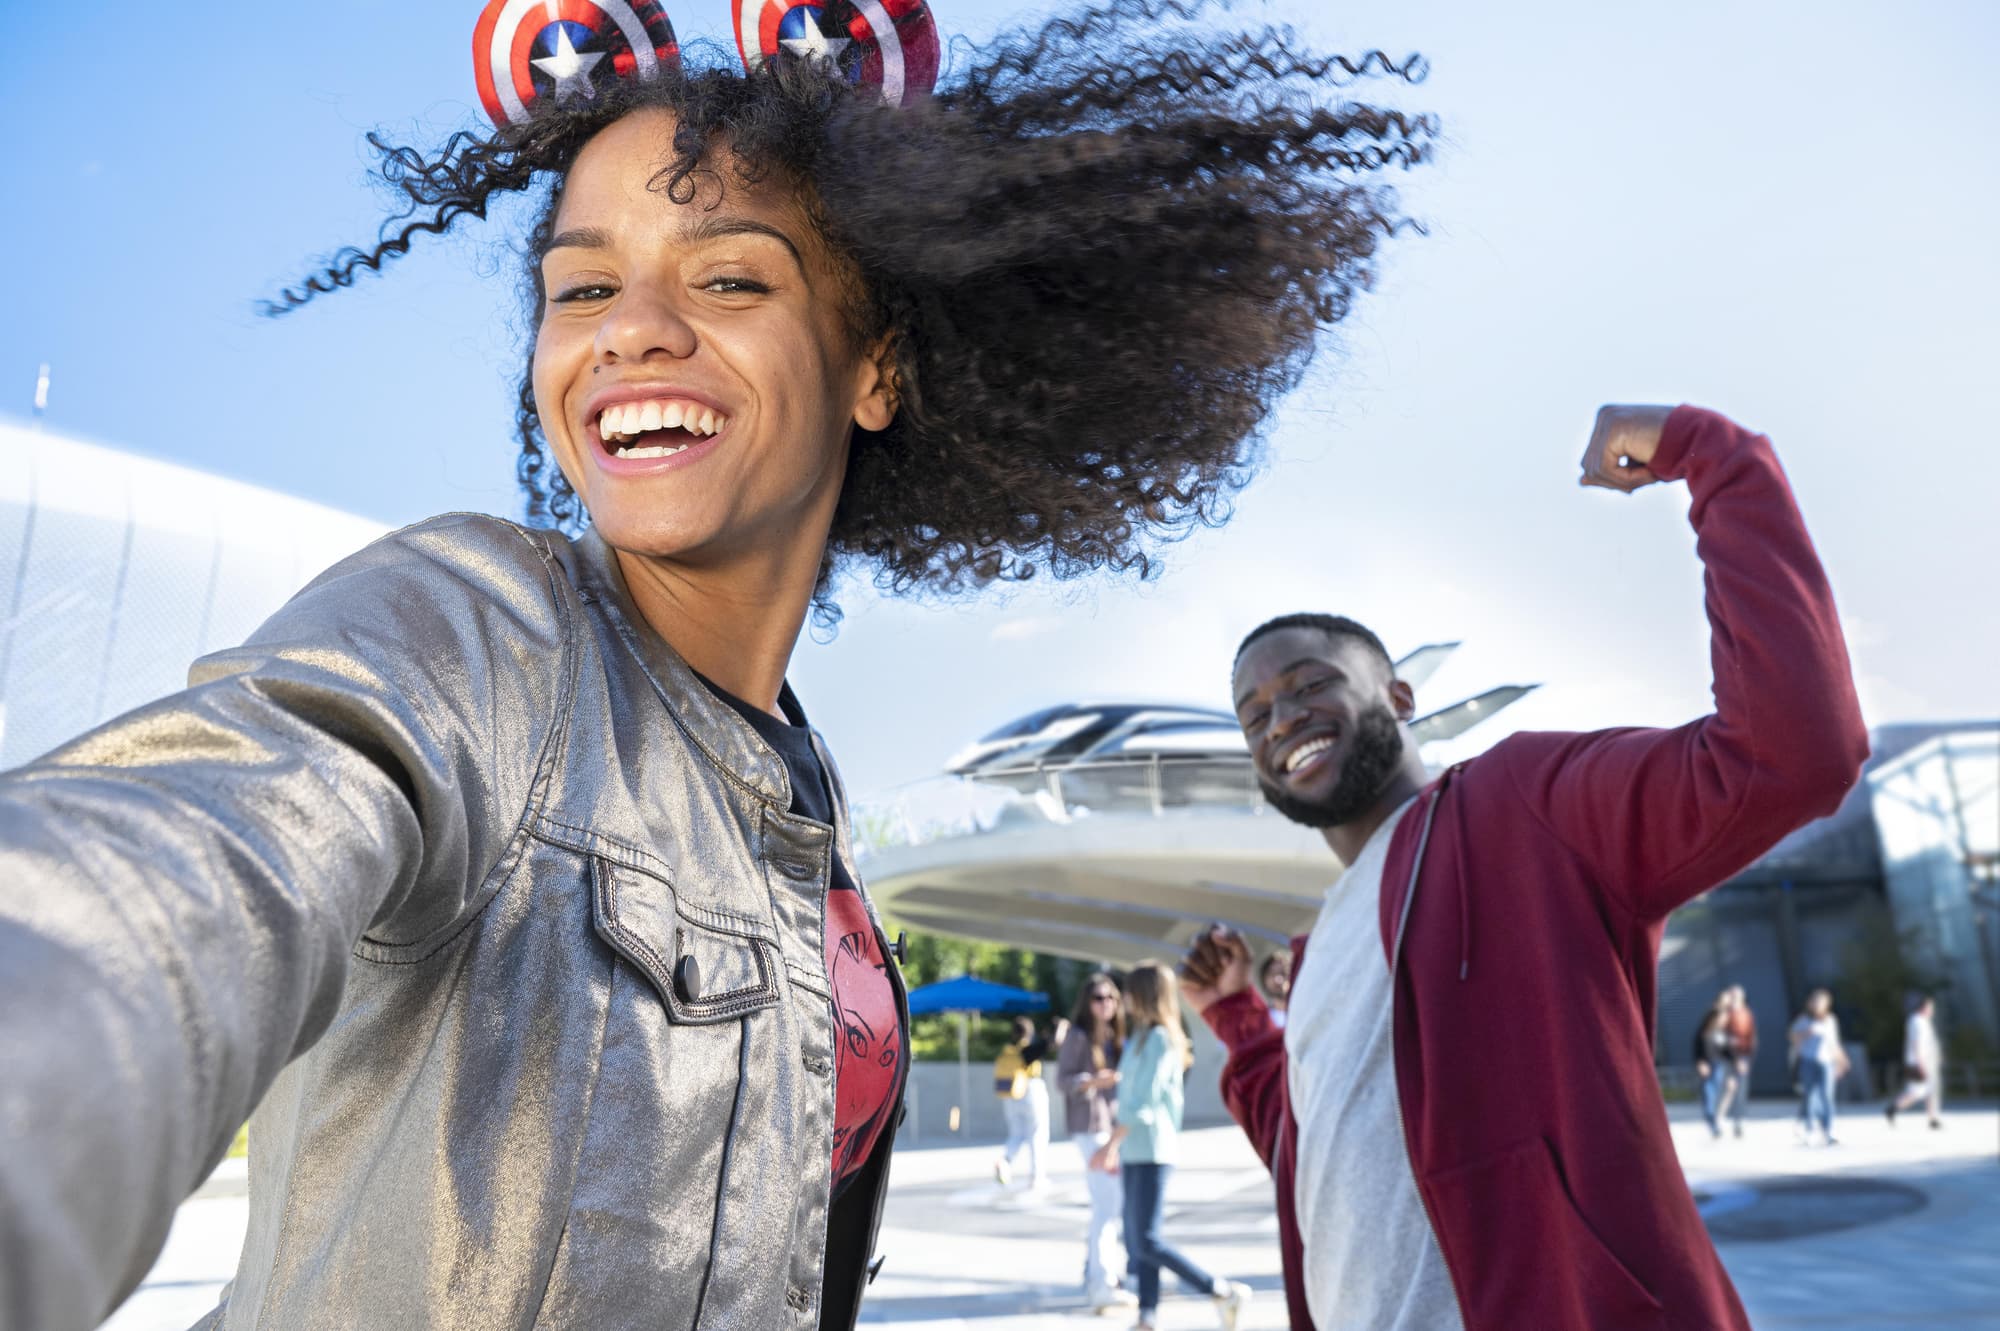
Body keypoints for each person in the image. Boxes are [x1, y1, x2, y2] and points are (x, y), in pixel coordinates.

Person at [0, 3, 1436, 1326]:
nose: (630, 328)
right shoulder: (472, 628)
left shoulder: (808, 794)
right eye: (581, 289)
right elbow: (175, 865)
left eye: (731, 274)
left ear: (875, 367)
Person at [1181, 404, 1868, 1330]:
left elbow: (1792, 752)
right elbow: (1331, 1167)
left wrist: (1714, 457)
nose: (1282, 718)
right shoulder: (1315, 955)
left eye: (1309, 683)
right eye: (1255, 714)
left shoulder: (1522, 803)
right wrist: (1236, 1016)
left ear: (1399, 696)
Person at [1091, 963, 1252, 1331]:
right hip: (1135, 1149)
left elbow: (1144, 1101)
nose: (1124, 998)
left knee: (1147, 1239)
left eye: (1130, 991)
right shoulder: (1141, 1037)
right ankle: (1148, 1317)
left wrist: (1110, 1144)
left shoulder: (1161, 1040)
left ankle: (1219, 1290)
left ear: (1145, 995)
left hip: (1152, 1149)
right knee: (1138, 1240)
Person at [1057, 973, 1137, 1313]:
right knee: (1108, 1203)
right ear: (1087, 1003)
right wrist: (1092, 1081)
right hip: (1089, 1126)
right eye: (1098, 998)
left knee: (1108, 1203)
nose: (1106, 1004)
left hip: (1111, 1125)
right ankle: (1102, 1282)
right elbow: (1062, 1080)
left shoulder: (1117, 1036)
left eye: (1111, 998)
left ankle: (1096, 1275)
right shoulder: (1078, 1036)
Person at [993, 1015, 1057, 1190]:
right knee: (1038, 1134)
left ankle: (1005, 1161)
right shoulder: (1028, 1050)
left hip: (1010, 1095)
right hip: (1031, 1091)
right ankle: (1037, 1176)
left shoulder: (1008, 1051)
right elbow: (1050, 1044)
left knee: (1016, 1134)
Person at [1789, 988, 1851, 1145]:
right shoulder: (1804, 1020)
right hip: (1808, 1061)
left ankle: (1828, 1130)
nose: (1817, 1005)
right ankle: (1810, 1129)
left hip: (1827, 1062)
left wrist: (1842, 1060)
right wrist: (1806, 1033)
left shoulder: (1830, 1020)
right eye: (1815, 1001)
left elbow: (1834, 1043)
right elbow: (1792, 1037)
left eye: (1821, 1002)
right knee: (1810, 1096)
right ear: (1810, 1003)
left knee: (1827, 1096)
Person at [1886, 992, 1945, 1129]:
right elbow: (1917, 1043)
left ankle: (1933, 1118)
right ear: (1923, 1007)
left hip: (1927, 1062)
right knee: (1916, 1092)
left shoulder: (1923, 1021)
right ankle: (1892, 1109)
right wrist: (1921, 1064)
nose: (1932, 1010)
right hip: (1919, 1062)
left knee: (1931, 1090)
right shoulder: (1917, 1021)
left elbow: (1929, 1043)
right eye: (1930, 1007)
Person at [1694, 989, 1740, 1138]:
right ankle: (1712, 1123)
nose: (1723, 1020)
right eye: (1721, 1018)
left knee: (1719, 1096)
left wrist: (1735, 1065)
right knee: (1708, 1095)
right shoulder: (1703, 1033)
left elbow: (1729, 1053)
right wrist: (1700, 1063)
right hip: (1707, 1067)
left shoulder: (1722, 1034)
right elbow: (1697, 1049)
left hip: (1719, 1067)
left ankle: (1719, 1122)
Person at [1723, 983, 1758, 1137]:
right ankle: (1719, 1120)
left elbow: (1751, 1037)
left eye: (1736, 995)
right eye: (1731, 995)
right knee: (1725, 1089)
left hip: (1741, 1056)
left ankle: (1738, 1121)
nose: (1733, 998)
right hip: (1725, 1056)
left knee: (1739, 1090)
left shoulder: (1746, 1013)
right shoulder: (1724, 1014)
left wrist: (1745, 1058)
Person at [1258, 951, 1293, 1029]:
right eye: (1272, 974)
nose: (1277, 980)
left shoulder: (1304, 1014)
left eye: (1283, 973)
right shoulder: (1259, 1019)